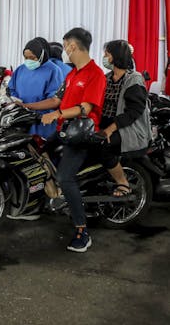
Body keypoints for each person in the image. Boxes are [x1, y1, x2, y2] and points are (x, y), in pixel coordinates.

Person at [40, 27, 106, 253]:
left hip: (81, 135)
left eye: (66, 45)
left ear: (72, 46)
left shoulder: (94, 74)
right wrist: (27, 107)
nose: (65, 49)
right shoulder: (72, 74)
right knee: (37, 148)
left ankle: (82, 231)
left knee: (66, 177)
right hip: (64, 130)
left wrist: (57, 115)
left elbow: (86, 109)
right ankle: (55, 195)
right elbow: (58, 101)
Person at [98, 40, 149, 197]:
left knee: (102, 147)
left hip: (127, 128)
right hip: (107, 124)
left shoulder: (133, 79)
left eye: (107, 54)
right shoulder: (107, 78)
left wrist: (110, 129)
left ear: (115, 56)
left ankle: (123, 183)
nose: (104, 57)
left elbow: (133, 112)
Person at [8, 37, 64, 139]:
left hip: (42, 119)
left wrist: (27, 105)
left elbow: (53, 100)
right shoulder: (20, 69)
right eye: (26, 58)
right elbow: (12, 89)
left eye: (33, 57)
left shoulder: (53, 70)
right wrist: (16, 100)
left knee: (40, 149)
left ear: (41, 55)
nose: (29, 61)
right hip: (22, 117)